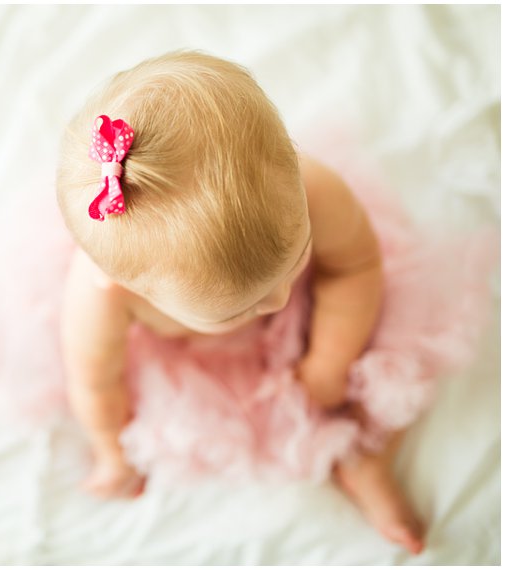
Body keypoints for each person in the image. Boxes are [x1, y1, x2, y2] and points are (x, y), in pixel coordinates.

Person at [53, 49, 494, 555]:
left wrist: (328, 360)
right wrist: (112, 449)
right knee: (205, 434)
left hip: (329, 307)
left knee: (393, 361)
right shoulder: (99, 297)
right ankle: (343, 455)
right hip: (207, 368)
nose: (281, 298)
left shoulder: (314, 192)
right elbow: (96, 381)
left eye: (294, 260)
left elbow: (354, 267)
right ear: (130, 289)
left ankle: (365, 457)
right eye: (242, 306)